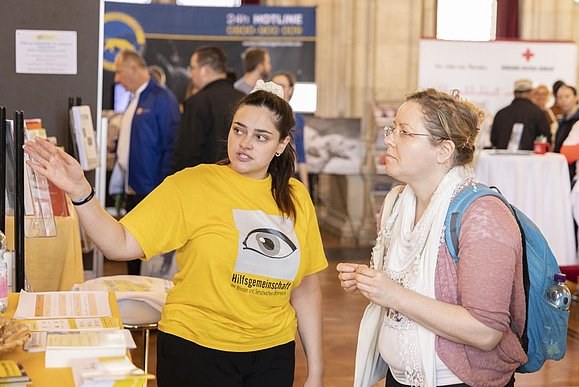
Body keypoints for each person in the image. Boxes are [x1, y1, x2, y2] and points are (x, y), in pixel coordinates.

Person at [24, 81, 327, 387]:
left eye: (261, 137)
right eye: (239, 130)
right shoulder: (192, 186)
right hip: (197, 349)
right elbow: (120, 243)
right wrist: (81, 191)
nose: (245, 143)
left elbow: (306, 288)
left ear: (281, 144)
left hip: (272, 353)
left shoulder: (296, 197)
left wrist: (316, 370)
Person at [337, 88, 526, 386]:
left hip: (461, 380)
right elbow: (403, 282)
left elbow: (486, 332)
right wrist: (371, 282)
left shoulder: (483, 216)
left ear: (444, 150)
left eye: (405, 132)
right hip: (399, 376)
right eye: (392, 129)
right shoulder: (396, 204)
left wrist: (392, 295)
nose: (388, 139)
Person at [112, 49, 180, 275]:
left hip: (150, 190)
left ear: (134, 68)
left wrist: (162, 188)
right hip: (133, 187)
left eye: (119, 72)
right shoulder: (137, 98)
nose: (117, 79)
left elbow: (171, 145)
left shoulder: (162, 99)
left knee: (142, 247)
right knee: (129, 245)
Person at [172, 46, 245, 172]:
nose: (190, 75)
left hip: (203, 184)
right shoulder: (245, 100)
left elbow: (187, 154)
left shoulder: (196, 103)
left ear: (205, 70)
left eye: (193, 68)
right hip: (238, 181)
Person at [272, 71, 309, 189]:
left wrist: (305, 186)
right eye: (274, 85)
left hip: (289, 174)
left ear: (290, 90)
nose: (277, 89)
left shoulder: (297, 119)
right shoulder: (263, 116)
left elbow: (300, 153)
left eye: (282, 86)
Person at [490, 79, 550, 150]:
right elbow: (545, 138)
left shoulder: (500, 114)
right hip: (531, 159)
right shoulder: (538, 113)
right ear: (531, 93)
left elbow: (493, 139)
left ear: (514, 93)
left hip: (503, 159)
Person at [554, 85, 579, 181]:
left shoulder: (577, 122)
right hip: (561, 169)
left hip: (574, 172)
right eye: (560, 97)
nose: (563, 100)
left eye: (567, 96)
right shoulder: (561, 121)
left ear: (576, 97)